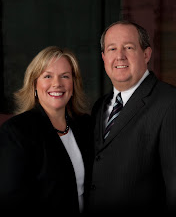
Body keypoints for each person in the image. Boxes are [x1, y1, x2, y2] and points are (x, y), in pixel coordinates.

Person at [87, 20, 176, 215]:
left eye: (128, 47)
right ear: (103, 57)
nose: (119, 56)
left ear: (146, 54)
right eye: (112, 49)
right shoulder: (100, 107)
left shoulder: (170, 103)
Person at [0, 46, 93, 214]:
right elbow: (12, 203)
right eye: (48, 76)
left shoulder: (86, 126)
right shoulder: (16, 132)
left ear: (73, 84)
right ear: (34, 84)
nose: (57, 83)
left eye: (65, 76)